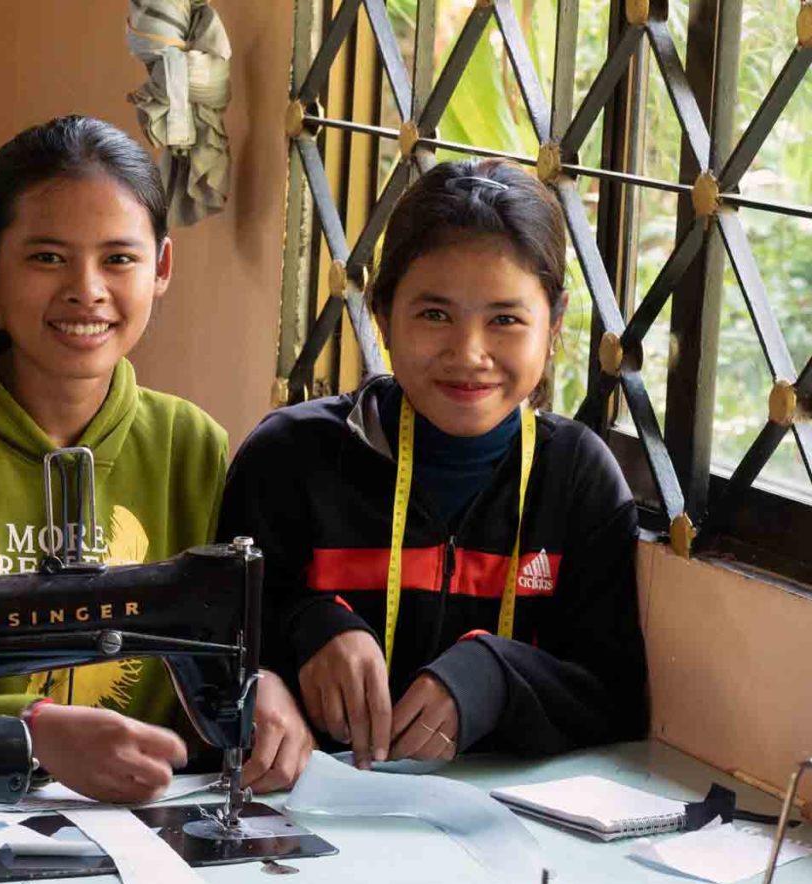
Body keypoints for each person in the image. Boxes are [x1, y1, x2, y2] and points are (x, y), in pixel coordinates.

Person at [0, 114, 313, 807]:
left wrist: (267, 684)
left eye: (119, 259)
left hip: (146, 823)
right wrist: (29, 732)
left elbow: (233, 641)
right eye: (47, 257)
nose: (86, 289)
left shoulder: (189, 445)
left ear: (161, 267)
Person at [219, 158, 647, 773]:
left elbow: (616, 700)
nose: (469, 354)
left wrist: (493, 677)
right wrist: (299, 635)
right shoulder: (288, 460)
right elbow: (210, 649)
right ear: (382, 314)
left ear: (553, 324)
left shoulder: (576, 477)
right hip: (299, 818)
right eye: (434, 315)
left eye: (505, 319)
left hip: (500, 837)